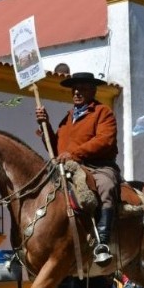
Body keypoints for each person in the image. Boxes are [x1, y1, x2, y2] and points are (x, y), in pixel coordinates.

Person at [36, 71, 121, 265]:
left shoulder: (103, 112)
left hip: (97, 166)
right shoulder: (67, 119)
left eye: (82, 89)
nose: (76, 93)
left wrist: (74, 155)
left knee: (106, 186)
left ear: (93, 91)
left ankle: (103, 241)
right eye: (74, 89)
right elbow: (57, 147)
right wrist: (46, 125)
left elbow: (105, 140)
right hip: (67, 166)